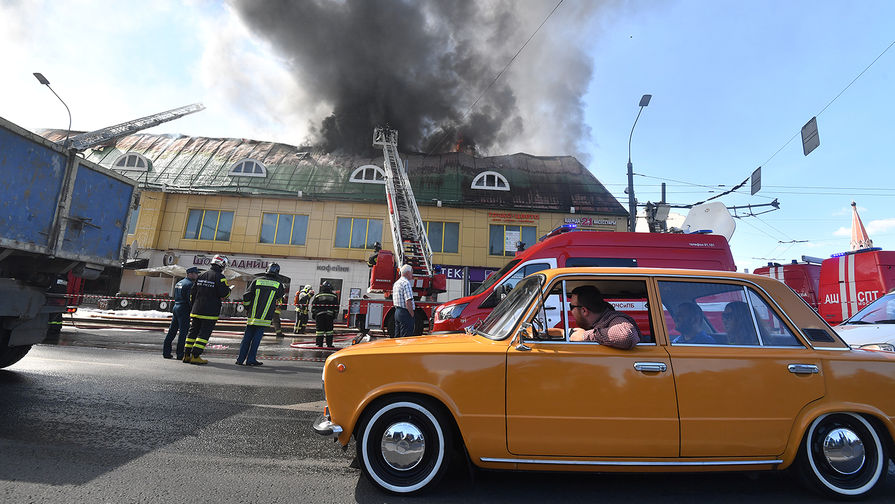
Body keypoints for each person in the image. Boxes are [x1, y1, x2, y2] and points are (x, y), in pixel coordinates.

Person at [183, 255, 231, 364]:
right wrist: (229, 291)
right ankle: (196, 356)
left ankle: (186, 355)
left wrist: (193, 306)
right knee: (203, 335)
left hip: (196, 310)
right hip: (210, 312)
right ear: (222, 265)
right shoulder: (220, 278)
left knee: (192, 333)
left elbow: (193, 293)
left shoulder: (201, 275)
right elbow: (224, 294)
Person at [236, 263, 285, 366]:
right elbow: (280, 296)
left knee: (247, 337)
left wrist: (247, 308)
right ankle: (251, 359)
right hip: (265, 316)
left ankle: (240, 360)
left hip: (252, 314)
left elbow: (247, 296)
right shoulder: (278, 284)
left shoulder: (256, 280)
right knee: (256, 339)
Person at [567, 285, 641, 349]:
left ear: (584, 311)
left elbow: (627, 336)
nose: (570, 311)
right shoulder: (597, 323)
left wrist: (584, 336)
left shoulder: (614, 319)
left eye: (571, 307)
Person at [163, 267, 199, 359]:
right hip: (184, 308)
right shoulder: (190, 284)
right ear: (189, 274)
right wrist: (193, 309)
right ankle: (180, 354)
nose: (197, 275)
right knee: (183, 332)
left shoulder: (179, 282)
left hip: (176, 306)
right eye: (195, 273)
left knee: (172, 331)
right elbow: (189, 299)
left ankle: (166, 352)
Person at [310, 282, 338, 347]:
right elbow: (336, 307)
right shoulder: (334, 296)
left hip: (319, 315)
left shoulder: (318, 295)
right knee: (329, 331)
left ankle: (319, 344)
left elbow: (314, 306)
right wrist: (334, 315)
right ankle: (329, 344)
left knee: (320, 331)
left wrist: (314, 314)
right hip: (329, 316)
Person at [392, 264, 415, 338]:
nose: (412, 275)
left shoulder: (396, 283)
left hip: (397, 312)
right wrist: (412, 315)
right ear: (408, 273)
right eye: (411, 272)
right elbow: (408, 301)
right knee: (405, 337)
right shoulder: (406, 283)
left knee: (397, 335)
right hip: (405, 312)